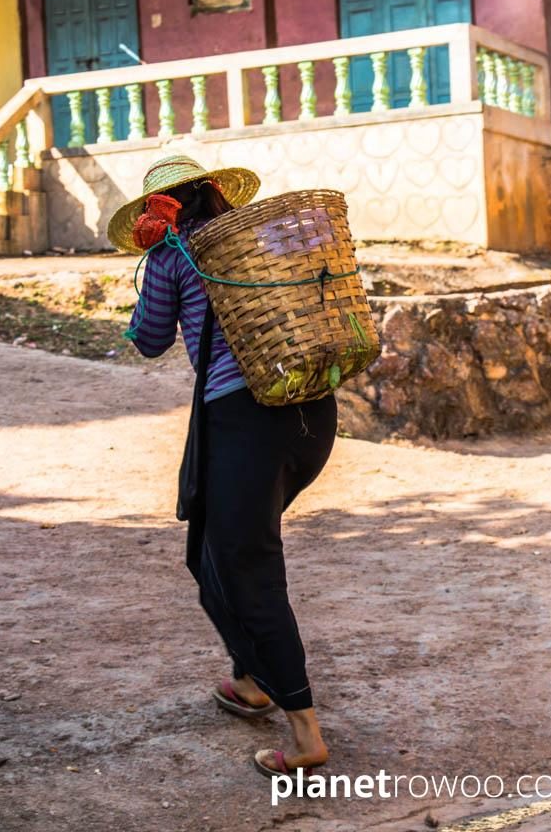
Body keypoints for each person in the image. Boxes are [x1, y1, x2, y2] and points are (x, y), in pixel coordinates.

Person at [107, 154, 338, 781]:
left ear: (159, 210)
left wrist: (142, 300)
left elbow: (153, 338)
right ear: (216, 194)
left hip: (244, 423)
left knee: (243, 563)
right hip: (312, 415)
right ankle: (252, 680)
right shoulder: (260, 240)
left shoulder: (170, 256)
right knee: (210, 549)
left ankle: (305, 734)